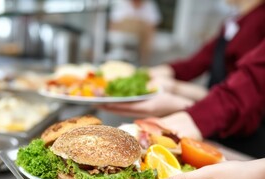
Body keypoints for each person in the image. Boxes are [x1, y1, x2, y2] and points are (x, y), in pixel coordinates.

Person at [141, 39, 265, 179]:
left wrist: (258, 175)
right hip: (231, 159)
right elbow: (252, 79)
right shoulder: (234, 22)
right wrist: (191, 116)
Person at [102, 0, 265, 118]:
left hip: (238, 124)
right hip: (218, 109)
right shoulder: (233, 21)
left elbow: (243, 94)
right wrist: (147, 73)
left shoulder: (259, 21)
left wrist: (176, 90)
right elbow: (195, 63)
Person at [107, 0, 162, 64]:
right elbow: (113, 24)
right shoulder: (121, 3)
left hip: (141, 39)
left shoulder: (149, 4)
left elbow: (152, 26)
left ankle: (143, 64)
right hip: (123, 36)